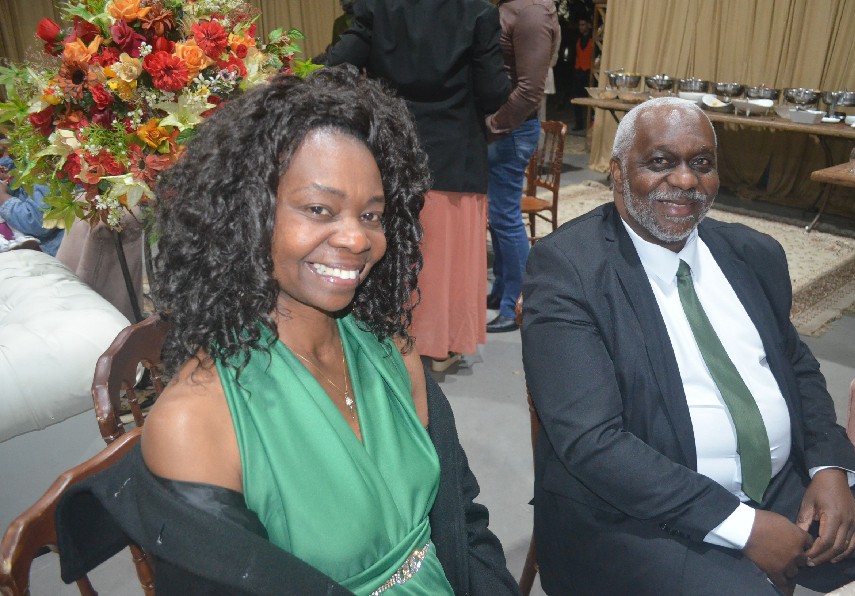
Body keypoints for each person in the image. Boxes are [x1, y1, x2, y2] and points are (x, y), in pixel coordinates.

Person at [56, 66, 519, 595]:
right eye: (319, 209)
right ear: (248, 214)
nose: (356, 239)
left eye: (372, 215)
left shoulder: (388, 349)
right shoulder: (196, 421)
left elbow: (463, 521)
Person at [521, 97, 855, 594]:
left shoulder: (752, 253)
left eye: (701, 163)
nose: (685, 180)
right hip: (636, 516)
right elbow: (592, 441)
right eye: (660, 161)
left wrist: (829, 465)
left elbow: (794, 365)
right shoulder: (569, 269)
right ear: (617, 172)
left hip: (781, 486)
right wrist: (743, 526)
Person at [327, 0, 509, 370]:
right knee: (443, 263)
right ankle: (435, 351)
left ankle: (386, 341)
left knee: (392, 254)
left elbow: (336, 67)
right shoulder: (478, 13)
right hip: (454, 154)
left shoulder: (378, 7)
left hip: (391, 151)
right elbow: (494, 92)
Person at [485, 0, 559, 333]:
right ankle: (503, 290)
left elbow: (530, 91)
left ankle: (517, 302)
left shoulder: (532, 11)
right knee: (500, 217)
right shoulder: (518, 7)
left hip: (510, 130)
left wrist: (493, 125)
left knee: (506, 217)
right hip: (505, 130)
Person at [0, 155, 63, 256]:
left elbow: (37, 222)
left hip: (41, 253)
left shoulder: (50, 163)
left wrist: (2, 198)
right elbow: (15, 162)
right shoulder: (22, 157)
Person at [569, 17, 592, 132]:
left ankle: (591, 123)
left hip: (589, 72)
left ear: (588, 25)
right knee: (576, 98)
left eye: (583, 24)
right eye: (580, 25)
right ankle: (579, 123)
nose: (581, 27)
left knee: (591, 99)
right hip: (579, 71)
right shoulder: (577, 40)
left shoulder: (593, 39)